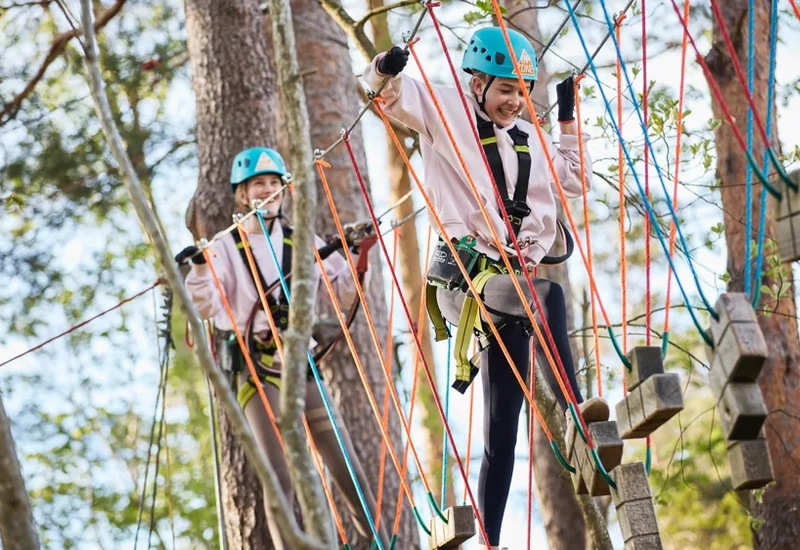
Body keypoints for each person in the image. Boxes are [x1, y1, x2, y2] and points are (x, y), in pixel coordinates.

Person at [363, 27, 610, 548]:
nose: (514, 101)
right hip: (463, 275)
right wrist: (385, 68)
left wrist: (565, 117)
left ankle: (490, 541)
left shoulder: (530, 135)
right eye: (504, 89)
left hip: (507, 286)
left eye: (522, 91)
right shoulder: (444, 108)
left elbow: (574, 178)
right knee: (550, 296)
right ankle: (577, 412)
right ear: (477, 83)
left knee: (503, 427)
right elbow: (382, 95)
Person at [175, 147, 388, 548]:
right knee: (281, 478)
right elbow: (206, 306)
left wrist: (355, 254)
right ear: (242, 195)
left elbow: (345, 292)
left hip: (301, 365)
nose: (269, 190)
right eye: (259, 184)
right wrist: (200, 267)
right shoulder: (222, 248)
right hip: (258, 369)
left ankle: (375, 543)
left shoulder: (302, 240)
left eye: (275, 183)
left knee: (349, 472)